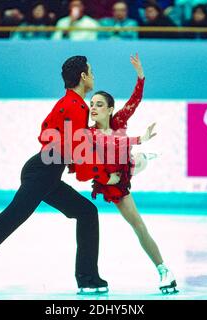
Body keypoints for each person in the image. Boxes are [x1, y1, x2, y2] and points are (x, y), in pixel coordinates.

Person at [0, 56, 117, 295]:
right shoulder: (76, 106)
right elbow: (75, 149)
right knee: (15, 215)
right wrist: (103, 176)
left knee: (86, 212)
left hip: (45, 170)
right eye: (91, 72)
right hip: (43, 172)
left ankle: (88, 278)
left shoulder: (67, 103)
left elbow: (48, 131)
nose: (94, 76)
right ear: (83, 77)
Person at [70, 54, 178, 294]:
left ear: (110, 109)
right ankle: (141, 158)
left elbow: (135, 100)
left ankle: (164, 270)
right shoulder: (89, 133)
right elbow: (110, 143)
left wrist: (140, 75)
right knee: (132, 165)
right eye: (92, 104)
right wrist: (141, 139)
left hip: (124, 167)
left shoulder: (119, 120)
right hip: (110, 182)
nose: (93, 108)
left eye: (99, 104)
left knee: (140, 225)